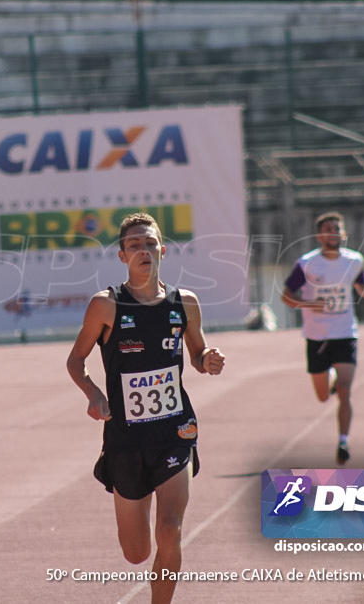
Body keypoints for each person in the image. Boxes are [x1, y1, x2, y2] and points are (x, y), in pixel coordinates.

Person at [67, 212, 225, 604]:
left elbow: (197, 352)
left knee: (170, 529)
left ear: (163, 251)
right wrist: (92, 393)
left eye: (150, 243)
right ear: (122, 256)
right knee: (136, 552)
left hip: (175, 431)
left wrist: (208, 359)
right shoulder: (106, 305)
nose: (143, 250)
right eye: (134, 245)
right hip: (126, 438)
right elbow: (75, 361)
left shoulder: (184, 303)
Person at [281, 211, 364, 465]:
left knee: (346, 391)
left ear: (343, 234)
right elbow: (286, 295)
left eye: (336, 229)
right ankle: (332, 381)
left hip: (345, 332)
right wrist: (308, 303)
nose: (332, 233)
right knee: (323, 397)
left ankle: (343, 441)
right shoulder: (307, 264)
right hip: (316, 336)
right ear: (319, 235)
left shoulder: (354, 260)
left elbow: (361, 282)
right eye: (327, 229)